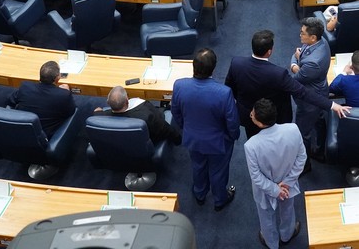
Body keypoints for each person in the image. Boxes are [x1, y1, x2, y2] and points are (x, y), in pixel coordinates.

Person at [225, 30, 349, 140]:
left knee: (253, 140)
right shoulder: (278, 74)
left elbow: (229, 88)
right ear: (269, 52)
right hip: (275, 118)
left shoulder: (236, 63)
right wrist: (332, 105)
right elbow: (303, 92)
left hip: (248, 115)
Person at [171, 48, 240, 211]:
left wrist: (185, 128)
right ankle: (220, 200)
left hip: (192, 138)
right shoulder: (224, 93)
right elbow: (232, 121)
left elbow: (175, 112)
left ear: (193, 66)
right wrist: (233, 136)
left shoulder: (179, 85)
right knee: (218, 172)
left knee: (198, 166)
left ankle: (199, 194)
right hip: (218, 142)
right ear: (214, 68)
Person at [244, 98, 306, 249]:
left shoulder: (251, 145)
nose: (250, 114)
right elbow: (301, 157)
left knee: (266, 215)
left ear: (258, 123)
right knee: (288, 209)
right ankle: (287, 234)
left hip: (265, 189)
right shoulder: (293, 129)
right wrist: (287, 183)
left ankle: (271, 242)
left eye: (252, 114)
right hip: (288, 185)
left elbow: (256, 176)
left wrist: (275, 190)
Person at [289, 17, 331, 159]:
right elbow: (298, 54)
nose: (300, 35)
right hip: (319, 92)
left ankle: (306, 162)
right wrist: (298, 59)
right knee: (319, 120)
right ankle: (319, 148)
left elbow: (298, 77)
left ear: (313, 37)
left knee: (302, 133)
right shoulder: (321, 41)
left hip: (310, 100)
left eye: (302, 34)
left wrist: (294, 65)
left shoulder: (314, 62)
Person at [93, 85, 182, 146]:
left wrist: (99, 112)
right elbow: (164, 128)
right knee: (162, 112)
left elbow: (97, 112)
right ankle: (168, 107)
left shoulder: (98, 118)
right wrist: (177, 139)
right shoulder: (146, 115)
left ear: (108, 102)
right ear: (127, 101)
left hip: (119, 149)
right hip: (146, 147)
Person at [6, 60, 75, 136]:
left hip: (18, 131)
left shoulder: (26, 86)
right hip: (41, 138)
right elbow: (70, 112)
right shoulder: (63, 95)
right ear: (57, 78)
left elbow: (10, 100)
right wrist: (66, 92)